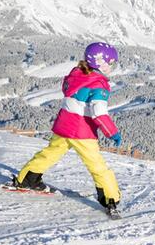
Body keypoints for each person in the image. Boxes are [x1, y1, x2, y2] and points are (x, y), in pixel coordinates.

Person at [11, 42, 123, 214]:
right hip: (82, 133)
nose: (112, 67)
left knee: (50, 153)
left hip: (64, 126)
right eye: (110, 63)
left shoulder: (76, 74)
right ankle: (110, 199)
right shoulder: (98, 85)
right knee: (97, 165)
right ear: (100, 62)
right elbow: (99, 113)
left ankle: (27, 179)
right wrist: (112, 133)